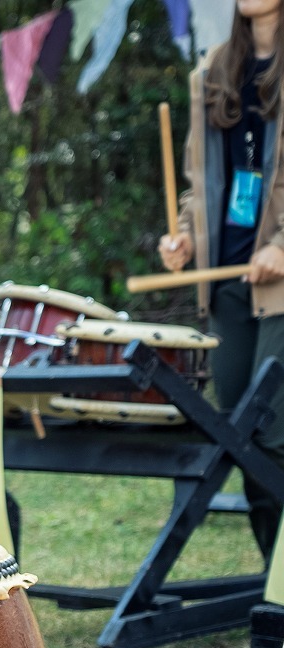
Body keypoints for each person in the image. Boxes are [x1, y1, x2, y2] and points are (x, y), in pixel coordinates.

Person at [160, 0, 284, 560]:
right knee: (242, 432)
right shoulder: (214, 70)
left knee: (276, 429)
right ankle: (273, 581)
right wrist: (184, 236)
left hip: (279, 282)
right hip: (228, 278)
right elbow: (201, 179)